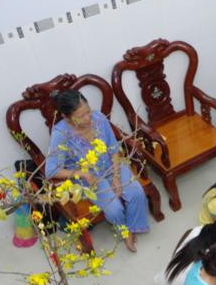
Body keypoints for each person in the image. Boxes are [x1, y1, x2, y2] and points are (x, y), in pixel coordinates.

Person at [47, 89, 149, 252]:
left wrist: (116, 176)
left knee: (136, 193)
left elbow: (113, 148)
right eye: (80, 116)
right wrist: (82, 174)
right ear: (66, 117)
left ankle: (134, 226)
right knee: (113, 208)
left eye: (88, 111)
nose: (88, 118)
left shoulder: (99, 119)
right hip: (88, 177)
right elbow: (51, 170)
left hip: (111, 165)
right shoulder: (60, 134)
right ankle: (125, 232)